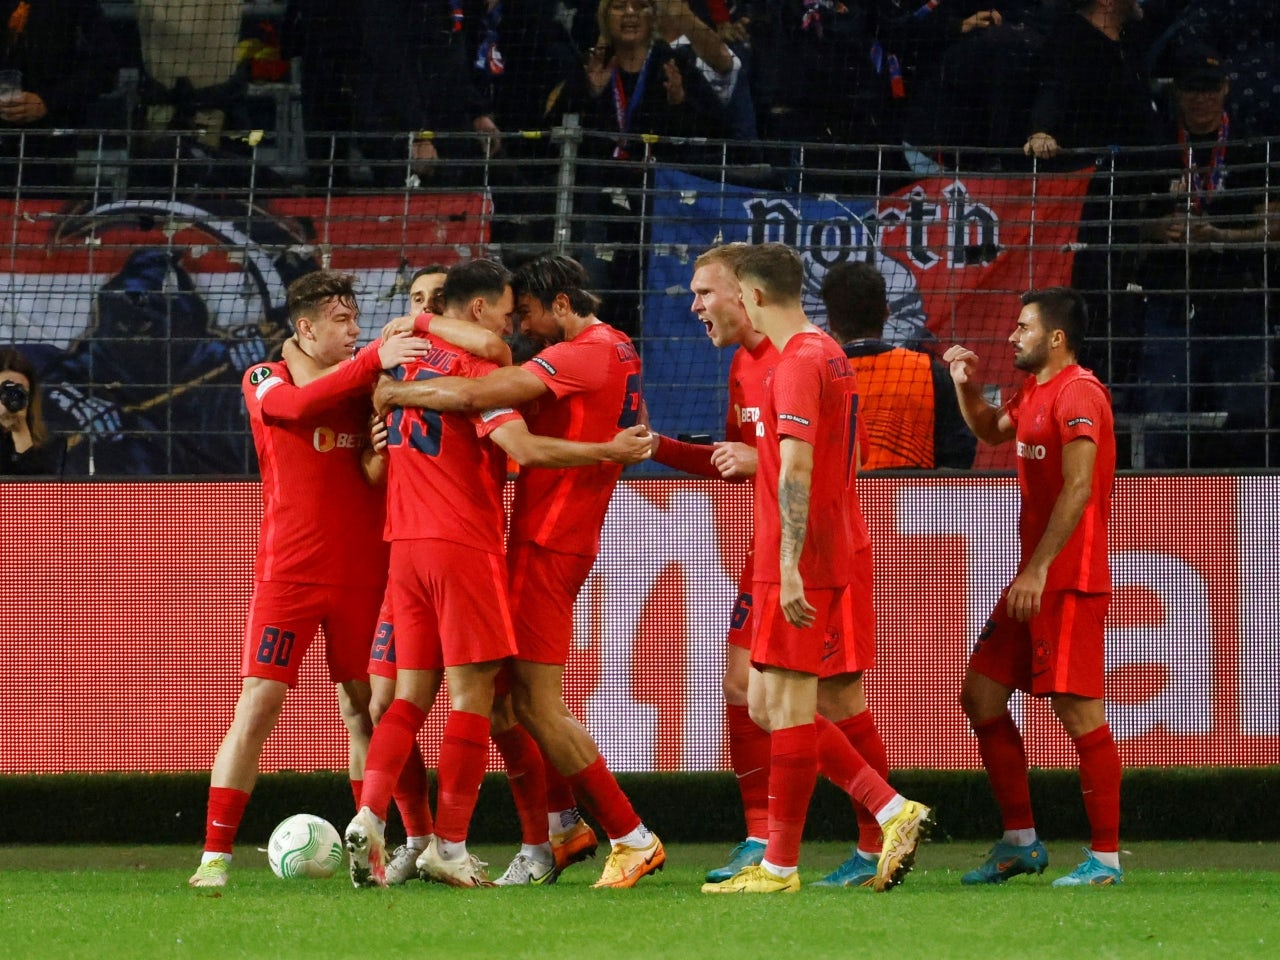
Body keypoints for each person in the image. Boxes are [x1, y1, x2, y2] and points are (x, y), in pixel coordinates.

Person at [347, 258, 652, 887]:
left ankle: (379, 819)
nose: (521, 329)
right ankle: (464, 844)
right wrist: (610, 451)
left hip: (404, 544)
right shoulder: (481, 363)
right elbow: (521, 444)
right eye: (512, 314)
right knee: (486, 698)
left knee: (416, 698)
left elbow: (375, 468)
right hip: (471, 546)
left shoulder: (397, 361)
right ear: (481, 309)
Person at [650, 245, 902, 890]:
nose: (696, 306)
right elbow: (749, 460)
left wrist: (789, 562)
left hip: (806, 553)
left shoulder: (799, 361)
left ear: (747, 293)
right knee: (759, 697)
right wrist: (661, 448)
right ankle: (806, 832)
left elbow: (808, 465)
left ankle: (854, 835)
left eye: (705, 292)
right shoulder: (757, 363)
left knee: (815, 700)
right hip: (777, 551)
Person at [188, 271, 430, 888]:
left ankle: (389, 847)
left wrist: (377, 455)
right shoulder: (264, 378)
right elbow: (294, 409)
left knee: (368, 709)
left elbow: (375, 478)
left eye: (358, 322)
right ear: (305, 328)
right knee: (260, 703)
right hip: (290, 575)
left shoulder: (365, 387)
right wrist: (376, 355)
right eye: (343, 322)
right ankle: (215, 855)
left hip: (362, 573)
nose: (356, 332)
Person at [943, 286, 1122, 887]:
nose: (1011, 336)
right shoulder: (1033, 390)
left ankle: (1105, 860)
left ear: (1056, 338)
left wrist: (1039, 568)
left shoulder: (1080, 393)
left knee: (1079, 712)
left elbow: (1078, 488)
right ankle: (1021, 843)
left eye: (1023, 327)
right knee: (981, 696)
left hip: (1066, 578)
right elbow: (993, 430)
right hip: (1035, 579)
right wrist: (966, 385)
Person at [1137, 43, 1276, 468]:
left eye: (1209, 88)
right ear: (1176, 92)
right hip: (1170, 296)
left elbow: (1272, 227)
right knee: (1162, 407)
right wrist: (1156, 229)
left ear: (1225, 89)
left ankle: (1252, 496)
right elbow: (1128, 222)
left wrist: (1216, 235)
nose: (1201, 98)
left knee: (1249, 409)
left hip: (1239, 296)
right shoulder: (1156, 145)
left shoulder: (1253, 144)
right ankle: (1160, 503)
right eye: (1191, 89)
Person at [822, 261, 976, 471]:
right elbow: (960, 454)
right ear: (886, 312)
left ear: (830, 322)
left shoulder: (816, 376)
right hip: (913, 502)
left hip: (838, 502)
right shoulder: (928, 371)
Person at [0, 346, 61, 475]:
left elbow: (39, 491)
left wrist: (20, 430)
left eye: (19, 392)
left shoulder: (51, 442)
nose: (11, 398)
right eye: (5, 392)